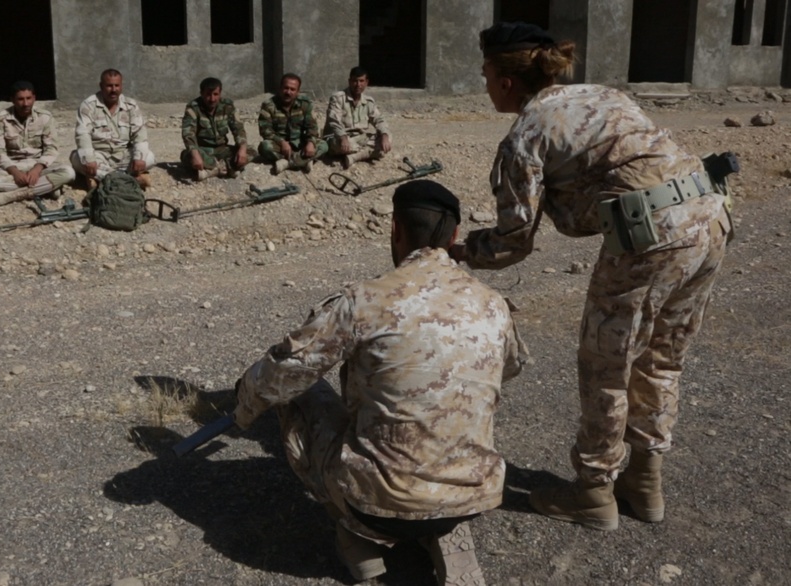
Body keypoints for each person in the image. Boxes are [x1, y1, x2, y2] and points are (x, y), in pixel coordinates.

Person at [453, 22, 731, 531]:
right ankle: (645, 483)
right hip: (710, 217)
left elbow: (514, 241)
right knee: (661, 357)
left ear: (507, 81)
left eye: (486, 73)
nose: (486, 83)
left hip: (651, 235)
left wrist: (462, 251)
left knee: (607, 366)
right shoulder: (601, 94)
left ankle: (594, 492)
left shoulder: (526, 134)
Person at [234, 180, 526, 585]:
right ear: (455, 236)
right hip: (474, 496)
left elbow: (282, 374)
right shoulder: (494, 304)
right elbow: (510, 368)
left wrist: (243, 406)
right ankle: (444, 531)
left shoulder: (364, 300)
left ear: (394, 229)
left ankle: (359, 538)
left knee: (300, 390)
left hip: (373, 504)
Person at [0, 80, 75, 207]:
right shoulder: (1, 119)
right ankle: (46, 188)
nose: (25, 103)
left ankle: (13, 195)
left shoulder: (45, 117)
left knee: (69, 173)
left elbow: (51, 148)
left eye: (29, 98)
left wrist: (37, 169)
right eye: (20, 99)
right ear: (12, 100)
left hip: (39, 164)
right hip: (13, 165)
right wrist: (15, 172)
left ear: (34, 98)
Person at [70, 69, 155, 190]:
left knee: (149, 157)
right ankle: (129, 179)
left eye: (117, 85)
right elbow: (82, 134)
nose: (113, 90)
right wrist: (89, 159)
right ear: (101, 86)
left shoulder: (131, 105)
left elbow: (139, 134)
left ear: (121, 86)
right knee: (77, 159)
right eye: (109, 86)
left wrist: (138, 158)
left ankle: (102, 180)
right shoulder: (88, 105)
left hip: (123, 155)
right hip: (98, 155)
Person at [180, 77, 249, 181]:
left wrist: (242, 149)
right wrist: (195, 154)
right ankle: (225, 167)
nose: (212, 99)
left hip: (223, 149)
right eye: (208, 94)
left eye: (215, 94)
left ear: (220, 93)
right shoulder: (193, 108)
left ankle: (212, 170)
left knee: (251, 150)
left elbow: (238, 129)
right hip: (204, 150)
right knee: (186, 156)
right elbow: (188, 134)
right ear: (201, 93)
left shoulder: (227, 106)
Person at [257, 73, 328, 174]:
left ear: (297, 92)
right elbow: (265, 130)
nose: (288, 92)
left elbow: (312, 127)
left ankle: (287, 163)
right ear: (280, 88)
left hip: (299, 142)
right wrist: (281, 142)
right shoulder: (269, 105)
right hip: (279, 146)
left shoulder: (304, 104)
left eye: (292, 89)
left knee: (324, 145)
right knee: (265, 147)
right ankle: (305, 161)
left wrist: (310, 142)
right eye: (286, 88)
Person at [324, 66, 391, 169]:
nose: (358, 85)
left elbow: (379, 119)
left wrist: (384, 135)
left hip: (359, 138)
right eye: (355, 81)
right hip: (340, 138)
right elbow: (334, 121)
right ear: (349, 81)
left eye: (361, 81)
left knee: (387, 138)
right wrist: (343, 137)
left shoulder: (368, 102)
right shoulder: (338, 98)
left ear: (366, 82)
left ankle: (354, 157)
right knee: (343, 144)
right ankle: (367, 153)